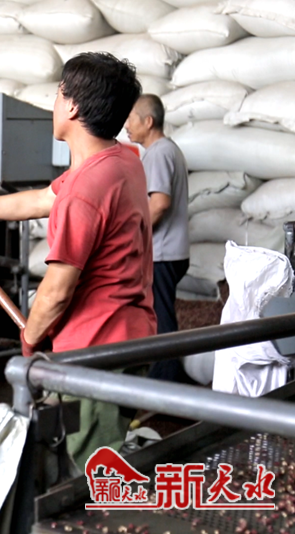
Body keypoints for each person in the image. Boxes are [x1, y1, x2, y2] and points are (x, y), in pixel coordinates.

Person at [0, 53, 154, 467]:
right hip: (127, 336)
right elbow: (45, 199)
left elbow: (57, 291)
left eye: (59, 94)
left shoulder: (86, 189)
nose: (54, 103)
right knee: (83, 453)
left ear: (73, 107)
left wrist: (30, 338)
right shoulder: (121, 161)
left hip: (96, 349)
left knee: (89, 470)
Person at [125, 94, 191, 383]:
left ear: (148, 121)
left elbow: (160, 203)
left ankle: (167, 382)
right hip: (171, 251)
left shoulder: (159, 153)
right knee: (159, 315)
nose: (126, 126)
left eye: (131, 119)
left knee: (161, 320)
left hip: (163, 253)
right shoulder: (167, 150)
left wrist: (133, 237)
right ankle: (170, 376)